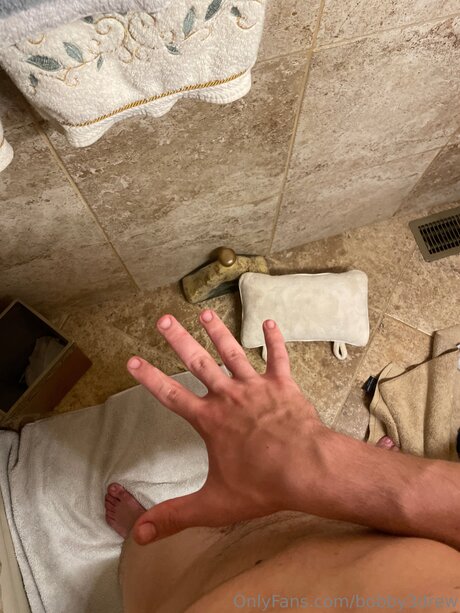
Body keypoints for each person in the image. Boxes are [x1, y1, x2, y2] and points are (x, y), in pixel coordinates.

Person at [104, 310, 460, 612]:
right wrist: (343, 468)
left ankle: (136, 531)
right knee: (358, 511)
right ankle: (369, 492)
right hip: (394, 542)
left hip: (196, 581)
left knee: (146, 541)